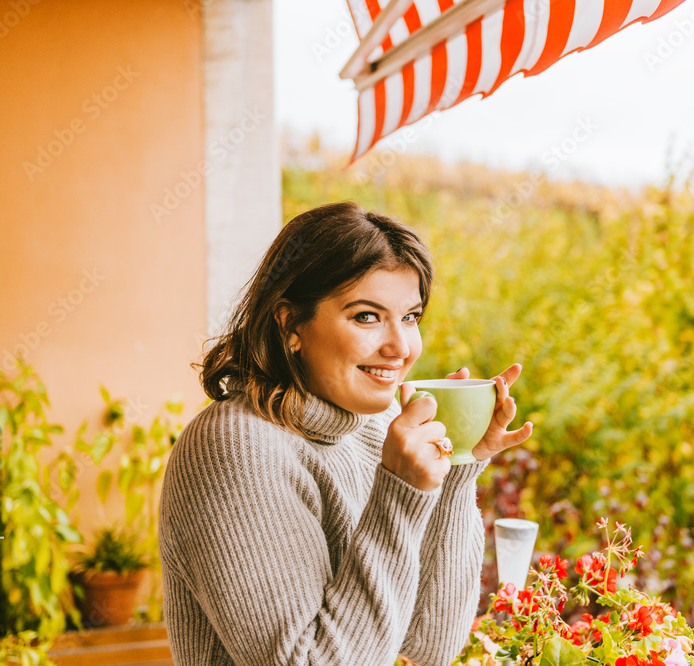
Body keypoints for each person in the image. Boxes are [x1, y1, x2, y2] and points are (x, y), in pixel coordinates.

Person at [158, 201, 533, 665]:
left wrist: (458, 465)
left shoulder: (373, 428)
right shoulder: (233, 449)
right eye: (367, 316)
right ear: (290, 322)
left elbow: (429, 646)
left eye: (411, 317)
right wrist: (398, 494)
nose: (400, 347)